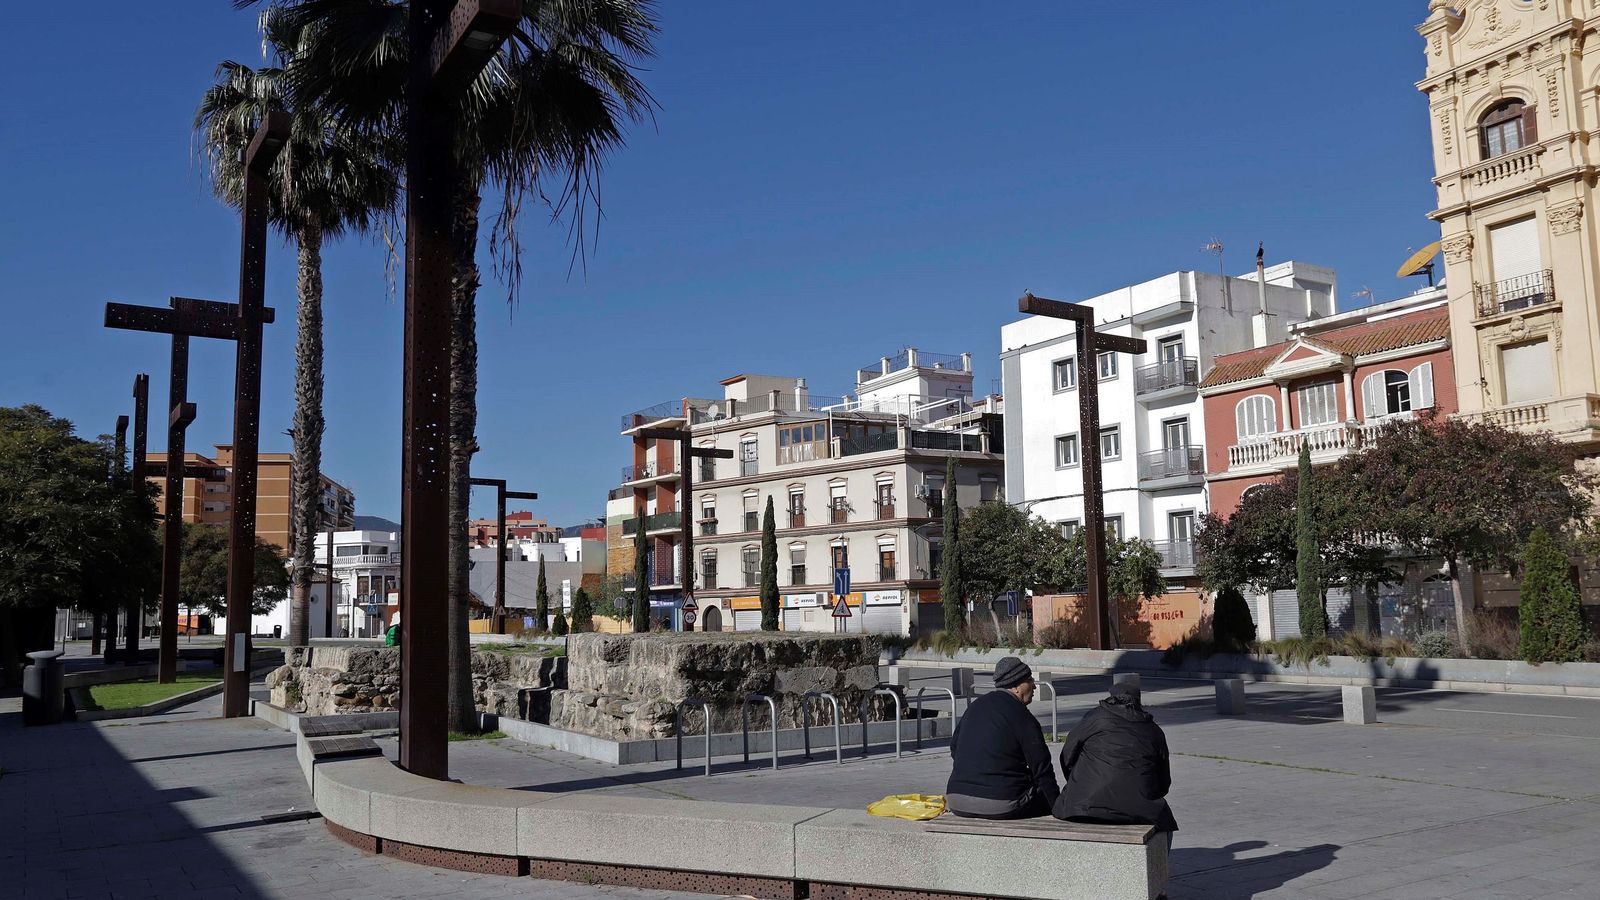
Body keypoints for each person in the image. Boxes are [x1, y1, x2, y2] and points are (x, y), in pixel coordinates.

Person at [1053, 683, 1178, 846]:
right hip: (1139, 809)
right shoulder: (1152, 729)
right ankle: (1160, 869)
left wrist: (1080, 782)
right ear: (1138, 701)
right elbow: (1163, 781)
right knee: (1165, 824)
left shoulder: (1094, 718)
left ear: (1110, 697)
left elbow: (1067, 756)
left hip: (1081, 806)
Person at [945, 656, 1059, 819]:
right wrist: (1056, 805)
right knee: (1042, 798)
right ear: (1016, 686)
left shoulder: (976, 706)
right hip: (1001, 804)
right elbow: (1041, 767)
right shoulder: (1022, 716)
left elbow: (955, 748)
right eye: (1029, 680)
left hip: (957, 801)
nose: (1033, 686)